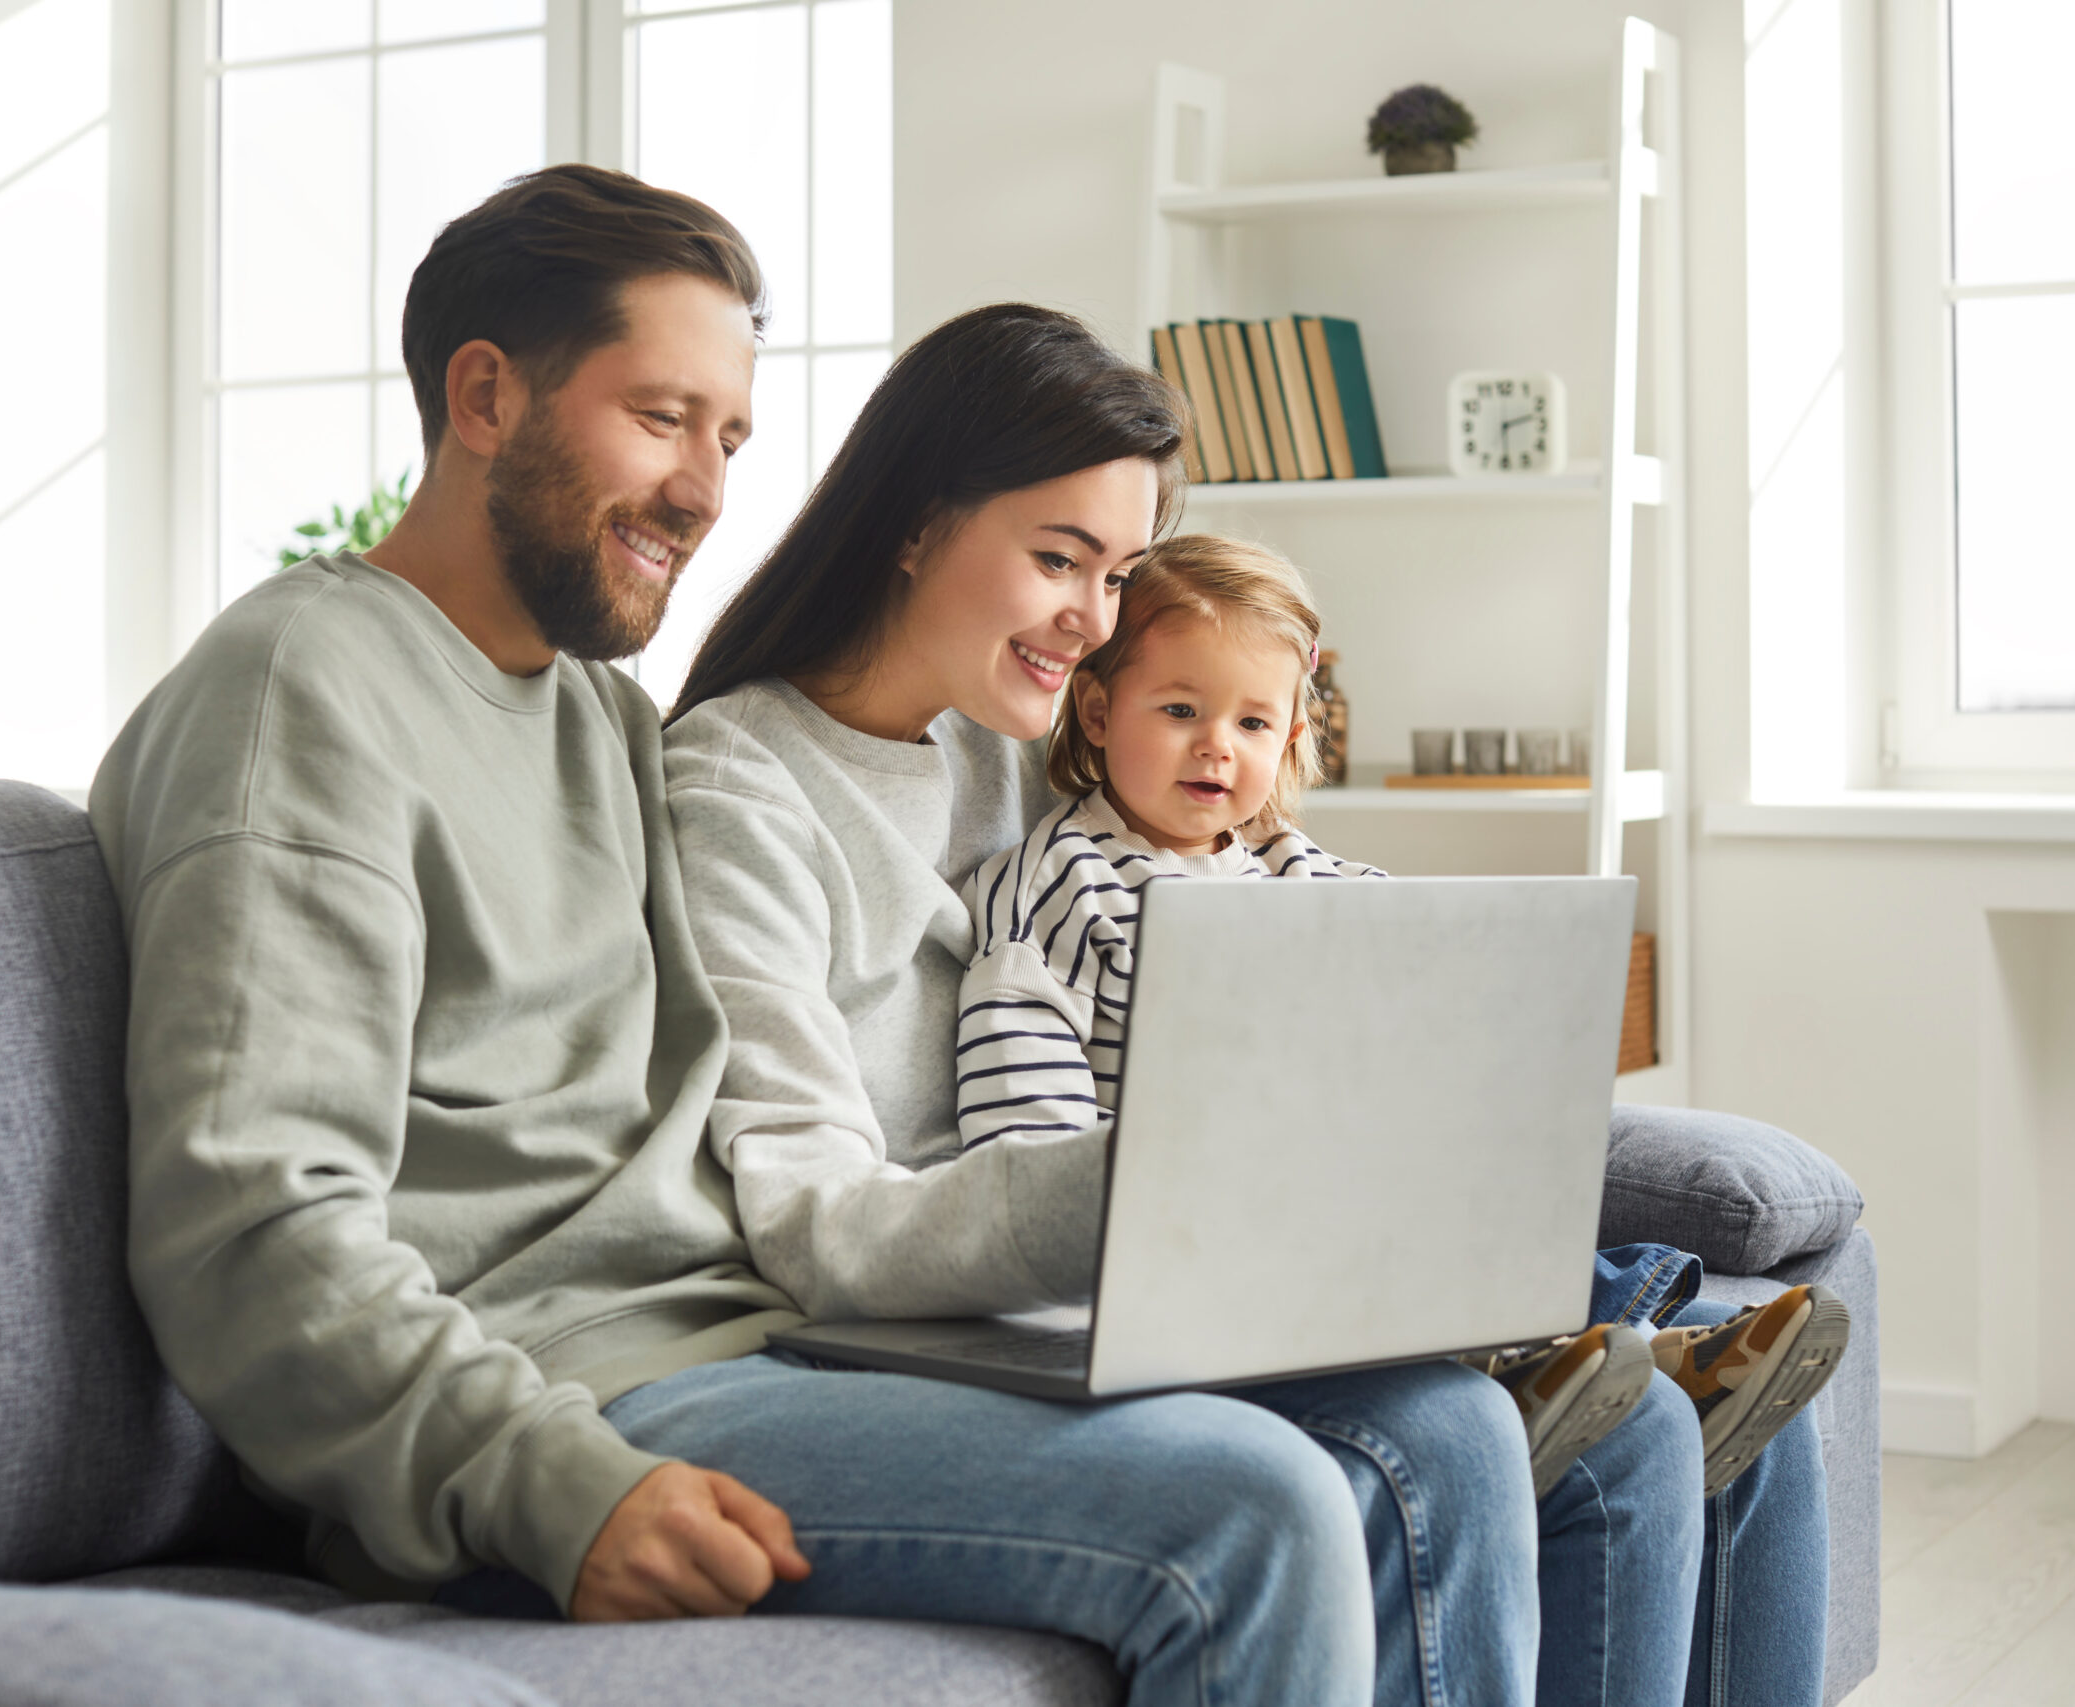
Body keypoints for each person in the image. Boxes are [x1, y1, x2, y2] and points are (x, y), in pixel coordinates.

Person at [93, 163, 1383, 1706]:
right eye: (660, 418)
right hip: (591, 1392)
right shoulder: (296, 689)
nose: (706, 489)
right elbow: (248, 1227)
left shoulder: (599, 716)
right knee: (1252, 1503)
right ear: (485, 395)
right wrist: (548, 1480)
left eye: (729, 437)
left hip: (756, 1351)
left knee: (1405, 1426)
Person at [663, 301, 1829, 1706]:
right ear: (914, 521)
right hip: (953, 1305)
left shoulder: (1004, 729)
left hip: (1156, 1251)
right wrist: (1171, 1170)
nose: (1090, 623)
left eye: (1117, 573)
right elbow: (815, 1220)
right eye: (1057, 559)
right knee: (1455, 1430)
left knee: (1651, 1424)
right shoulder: (739, 791)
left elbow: (1219, 802)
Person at [952, 530, 1851, 1503]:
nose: (1217, 744)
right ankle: (1574, 1367)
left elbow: (1407, 983)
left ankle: (1609, 1353)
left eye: (1254, 724)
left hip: (1336, 1206)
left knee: (1465, 1201)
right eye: (1179, 710)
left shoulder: (1289, 868)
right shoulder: (1058, 889)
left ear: (1291, 736)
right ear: (1095, 707)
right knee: (1377, 1241)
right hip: (1185, 1241)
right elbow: (1024, 1148)